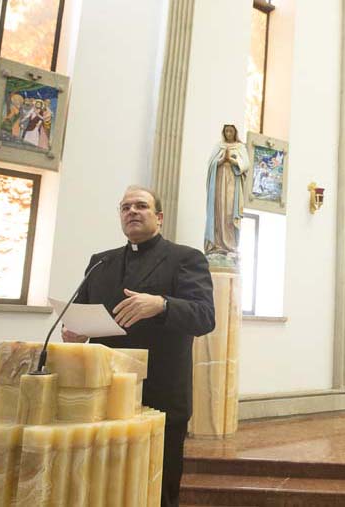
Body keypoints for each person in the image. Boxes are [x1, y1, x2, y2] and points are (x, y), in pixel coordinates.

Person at [62, 185, 215, 507]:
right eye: (125, 207)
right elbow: (80, 314)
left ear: (158, 217)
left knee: (156, 485)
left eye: (141, 206)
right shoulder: (100, 262)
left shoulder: (185, 259)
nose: (132, 211)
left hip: (160, 392)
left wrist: (162, 304)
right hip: (103, 392)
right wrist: (75, 332)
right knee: (104, 484)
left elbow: (204, 317)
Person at [204, 124, 249, 259]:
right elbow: (210, 164)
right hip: (219, 185)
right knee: (219, 212)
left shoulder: (240, 147)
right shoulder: (219, 146)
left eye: (231, 131)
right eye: (226, 131)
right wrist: (221, 160)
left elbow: (246, 164)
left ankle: (230, 245)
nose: (229, 133)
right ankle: (217, 244)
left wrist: (234, 161)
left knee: (229, 212)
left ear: (235, 132)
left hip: (232, 185)